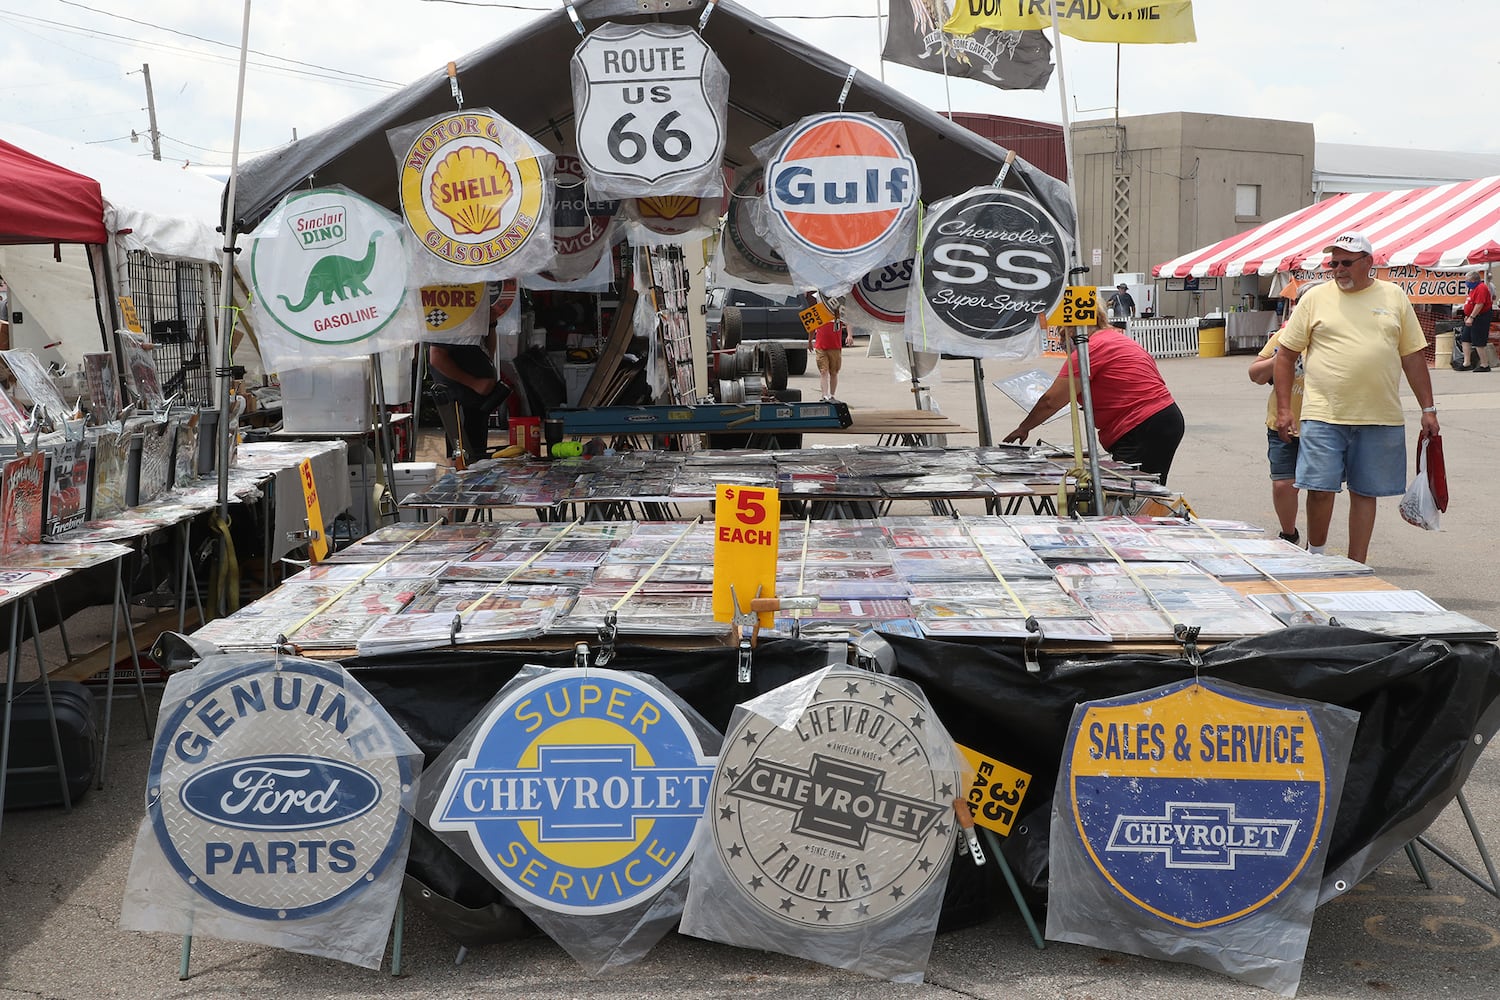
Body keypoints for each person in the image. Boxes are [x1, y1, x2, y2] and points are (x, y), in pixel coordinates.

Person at [1273, 231, 1438, 564]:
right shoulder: (1315, 298)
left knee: (1366, 493)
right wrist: (1284, 410)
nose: (1338, 269)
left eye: (1346, 262)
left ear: (1369, 262)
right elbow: (1285, 355)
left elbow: (1412, 357)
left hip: (1379, 416)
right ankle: (1316, 557)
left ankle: (1355, 565)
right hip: (1323, 414)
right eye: (1334, 262)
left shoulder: (1394, 297)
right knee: (1319, 489)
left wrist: (1428, 409)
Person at [1003, 312, 1185, 484]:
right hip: (1160, 418)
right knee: (1144, 489)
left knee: (1130, 494)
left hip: (1141, 425)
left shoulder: (1088, 350)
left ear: (1072, 330)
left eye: (1062, 337)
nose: (1063, 345)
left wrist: (1023, 428)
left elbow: (1051, 401)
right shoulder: (1116, 339)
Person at [428, 295, 511, 464]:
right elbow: (436, 357)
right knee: (462, 456)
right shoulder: (444, 314)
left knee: (476, 454)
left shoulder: (472, 316)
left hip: (477, 400)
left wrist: (491, 324)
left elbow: (486, 352)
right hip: (459, 399)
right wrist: (474, 383)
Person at [1248, 329, 1306, 545]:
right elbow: (1256, 374)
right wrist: (1281, 357)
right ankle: (1289, 534)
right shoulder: (1285, 336)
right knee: (1283, 484)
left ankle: (1318, 546)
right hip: (1282, 423)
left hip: (1321, 422)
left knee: (1320, 489)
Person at [807, 294, 846, 402]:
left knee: (834, 372)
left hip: (835, 346)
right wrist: (810, 341)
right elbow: (812, 327)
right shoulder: (817, 312)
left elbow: (848, 321)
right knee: (823, 371)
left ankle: (832, 395)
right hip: (821, 346)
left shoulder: (838, 311)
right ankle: (824, 395)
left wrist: (850, 335)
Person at [1459, 271, 1494, 371]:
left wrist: (1472, 317)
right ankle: (1467, 363)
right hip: (1472, 316)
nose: (1466, 282)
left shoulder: (1481, 288)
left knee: (1478, 340)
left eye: (1468, 280)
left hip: (1480, 317)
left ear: (1474, 279)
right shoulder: (1473, 289)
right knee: (1465, 338)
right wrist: (1468, 315)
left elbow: (1479, 304)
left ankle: (1484, 364)